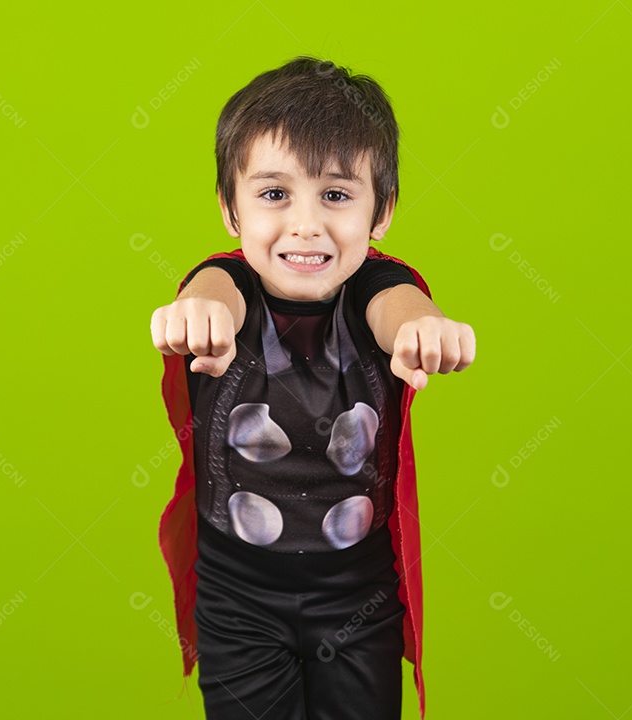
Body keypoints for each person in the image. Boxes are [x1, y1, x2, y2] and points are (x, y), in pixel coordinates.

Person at [150, 56, 476, 719]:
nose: (304, 224)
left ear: (380, 211)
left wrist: (426, 329)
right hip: (239, 600)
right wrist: (197, 314)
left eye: (335, 194)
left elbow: (401, 308)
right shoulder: (228, 285)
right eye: (274, 194)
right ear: (230, 208)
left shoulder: (375, 289)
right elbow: (212, 290)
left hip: (357, 601)